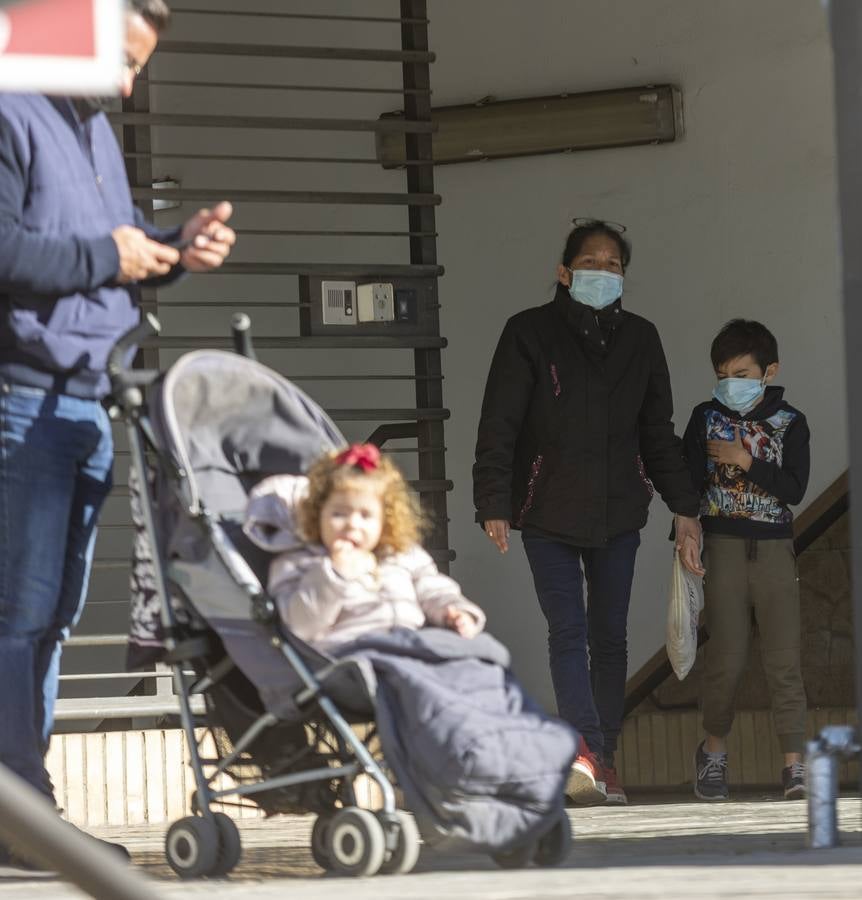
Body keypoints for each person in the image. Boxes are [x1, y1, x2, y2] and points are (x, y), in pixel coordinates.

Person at [0, 0, 235, 864]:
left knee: (53, 617)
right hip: (21, 399)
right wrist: (116, 254)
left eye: (141, 66)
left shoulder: (96, 132)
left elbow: (108, 258)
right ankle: (19, 813)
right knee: (18, 614)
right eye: (123, 59)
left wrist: (174, 248)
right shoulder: (9, 112)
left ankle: (29, 809)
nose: (131, 82)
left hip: (95, 398)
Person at [473, 218, 703, 807]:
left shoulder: (642, 339)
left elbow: (657, 432)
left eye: (613, 266)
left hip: (620, 509)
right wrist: (493, 499)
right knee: (567, 631)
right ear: (564, 271)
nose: (602, 273)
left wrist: (684, 508)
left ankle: (604, 758)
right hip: (545, 505)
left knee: (611, 638)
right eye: (591, 263)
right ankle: (585, 753)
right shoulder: (528, 333)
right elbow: (499, 420)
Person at [683, 319, 810, 801]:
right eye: (722, 372)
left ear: (768, 371)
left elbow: (796, 489)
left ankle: (794, 766)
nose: (729, 383)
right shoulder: (703, 417)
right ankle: (713, 753)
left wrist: (745, 460)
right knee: (726, 659)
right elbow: (688, 483)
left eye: (741, 372)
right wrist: (684, 531)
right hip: (722, 549)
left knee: (784, 660)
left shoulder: (791, 422)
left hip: (776, 548)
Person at [244, 443, 486, 647]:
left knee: (485, 655)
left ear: (385, 521)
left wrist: (453, 611)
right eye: (339, 514)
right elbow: (299, 626)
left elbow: (431, 587)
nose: (352, 525)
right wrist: (332, 574)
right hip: (354, 656)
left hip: (411, 645)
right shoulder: (298, 562)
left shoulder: (400, 554)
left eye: (366, 516)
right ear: (317, 514)